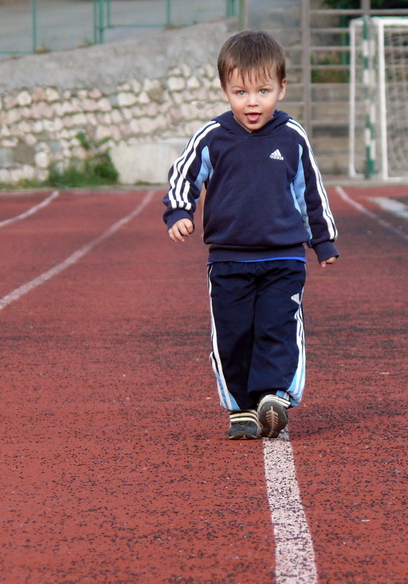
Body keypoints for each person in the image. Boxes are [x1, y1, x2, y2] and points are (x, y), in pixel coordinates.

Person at [163, 30, 339, 440]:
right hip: (228, 260)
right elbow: (183, 175)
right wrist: (178, 212)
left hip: (285, 258)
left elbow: (311, 191)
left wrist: (323, 240)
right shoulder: (213, 137)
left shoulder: (292, 136)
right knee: (233, 334)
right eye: (240, 92)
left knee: (278, 327)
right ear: (225, 90)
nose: (252, 102)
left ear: (282, 88)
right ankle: (240, 407)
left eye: (263, 90)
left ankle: (273, 395)